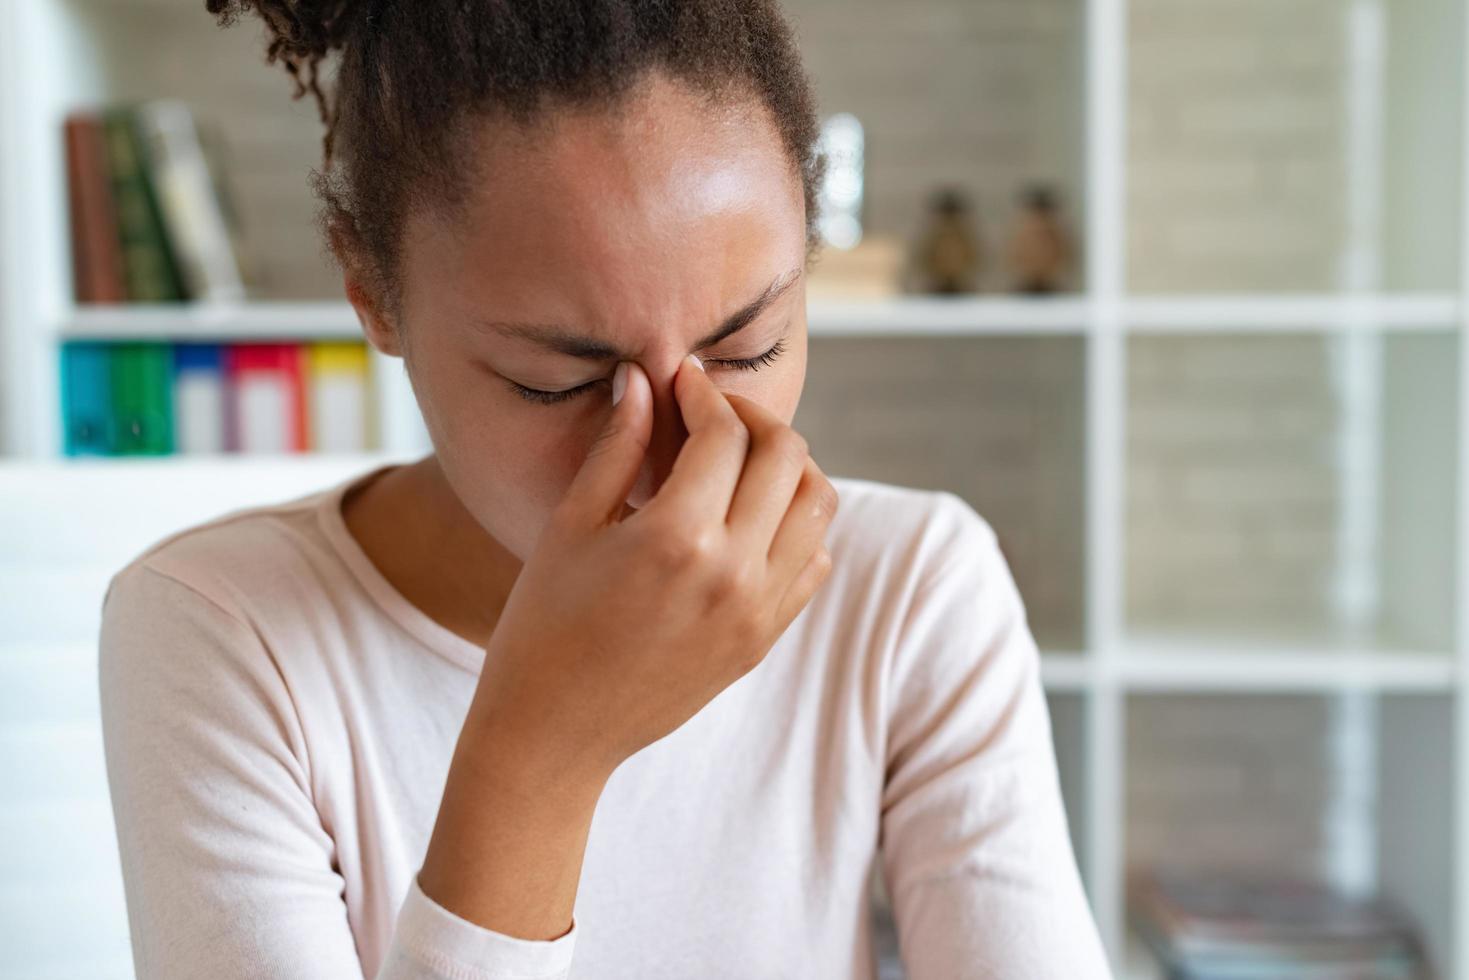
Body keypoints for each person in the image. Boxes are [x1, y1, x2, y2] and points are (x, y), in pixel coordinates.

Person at [97, 2, 1114, 978]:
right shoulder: (222, 630)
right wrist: (542, 752)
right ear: (375, 296)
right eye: (566, 382)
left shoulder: (912, 590)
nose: (679, 453)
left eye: (747, 346)